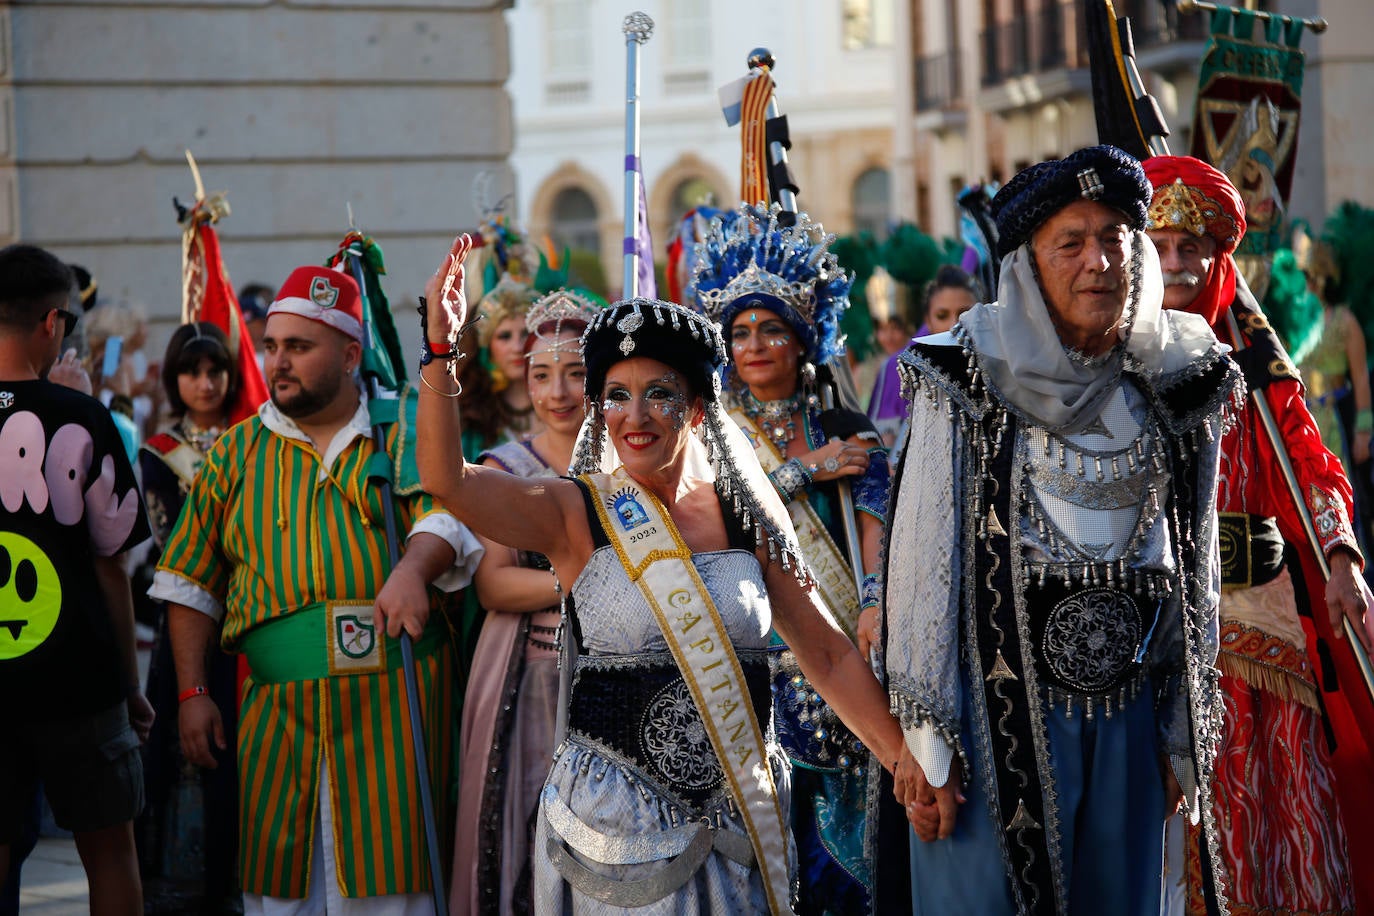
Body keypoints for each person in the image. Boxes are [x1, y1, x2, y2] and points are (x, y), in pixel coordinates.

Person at [416, 235, 912, 914]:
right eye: (616, 395)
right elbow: (448, 481)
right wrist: (442, 353)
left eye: (660, 393)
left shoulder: (745, 516)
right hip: (613, 838)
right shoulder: (574, 511)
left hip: (740, 820)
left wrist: (904, 765)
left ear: (700, 407)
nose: (636, 416)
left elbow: (824, 651)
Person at [882, 146, 1244, 914]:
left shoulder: (1178, 377)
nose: (1098, 262)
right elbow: (922, 562)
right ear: (1027, 263)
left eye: (1115, 236)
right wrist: (927, 746)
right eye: (1070, 242)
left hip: (1129, 720)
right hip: (991, 722)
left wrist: (1184, 732)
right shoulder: (962, 373)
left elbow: (1195, 561)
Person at [149, 265, 484, 913]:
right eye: (272, 347)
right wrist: (192, 692)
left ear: (350, 353)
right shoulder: (234, 453)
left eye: (298, 348)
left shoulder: (404, 428)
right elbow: (188, 581)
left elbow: (446, 515)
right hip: (278, 721)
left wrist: (413, 569)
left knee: (399, 885)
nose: (278, 362)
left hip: (396, 709)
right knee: (283, 888)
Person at [1143, 154, 1374, 916]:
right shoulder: (1113, 365)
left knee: (1293, 820)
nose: (1176, 264)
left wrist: (1341, 554)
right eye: (1160, 248)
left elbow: (1313, 463)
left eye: (1192, 249)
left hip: (1265, 630)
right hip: (1157, 636)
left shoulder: (1253, 361)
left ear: (1219, 258)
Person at [688, 203, 896, 914]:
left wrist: (872, 602)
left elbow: (877, 516)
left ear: (803, 340)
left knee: (849, 852)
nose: (754, 344)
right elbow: (711, 519)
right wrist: (802, 472)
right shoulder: (709, 436)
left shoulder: (842, 423)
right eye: (740, 331)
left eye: (771, 328)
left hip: (842, 655)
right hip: (747, 660)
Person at [0, 244, 154, 915]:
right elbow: (113, 559)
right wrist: (128, 684)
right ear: (53, 323)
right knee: (110, 849)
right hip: (79, 677)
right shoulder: (84, 418)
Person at [449, 288, 601, 915]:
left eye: (575, 374)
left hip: (610, 676)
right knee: (522, 832)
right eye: (542, 375)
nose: (558, 392)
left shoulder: (631, 466)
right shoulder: (504, 467)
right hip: (527, 674)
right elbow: (495, 585)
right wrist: (588, 580)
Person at [135, 322, 241, 913]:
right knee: (184, 751)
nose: (205, 383)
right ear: (175, 378)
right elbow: (168, 538)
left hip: (243, 624)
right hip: (188, 614)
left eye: (215, 370)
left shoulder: (249, 439)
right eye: (192, 372)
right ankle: (182, 880)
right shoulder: (159, 453)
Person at [867, 265, 983, 448]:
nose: (955, 324)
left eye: (964, 313)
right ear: (928, 321)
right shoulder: (903, 370)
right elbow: (886, 451)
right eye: (942, 315)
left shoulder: (1002, 369)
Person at [455, 277, 542, 461]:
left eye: (526, 333)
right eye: (505, 336)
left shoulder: (562, 402)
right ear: (487, 346)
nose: (517, 347)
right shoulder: (473, 417)